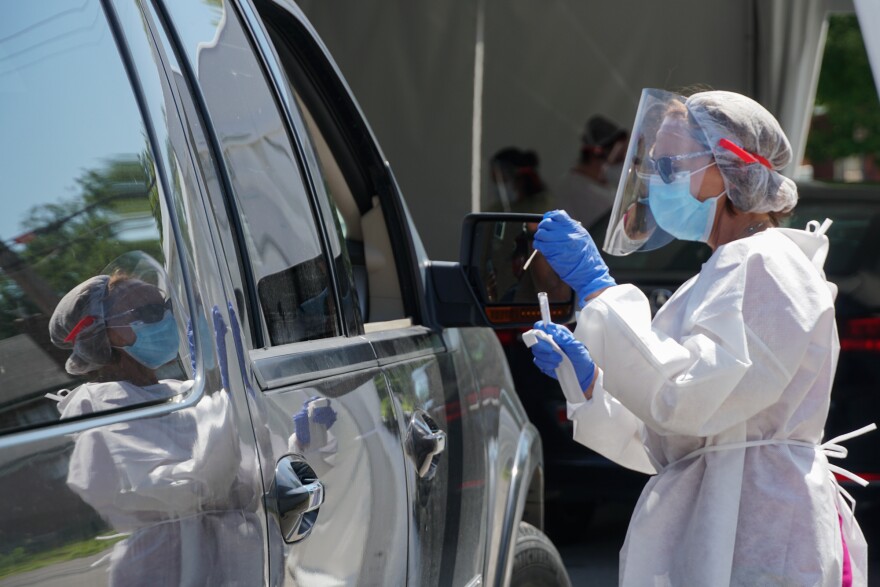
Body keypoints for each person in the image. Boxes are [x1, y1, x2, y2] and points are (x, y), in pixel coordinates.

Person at [527, 89, 872, 586]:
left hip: (763, 527)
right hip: (729, 522)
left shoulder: (767, 264)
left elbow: (687, 399)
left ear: (730, 167)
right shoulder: (720, 271)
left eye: (669, 167)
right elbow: (670, 438)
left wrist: (603, 292)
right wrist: (590, 386)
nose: (655, 183)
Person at [48, 256, 262, 585]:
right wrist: (228, 408)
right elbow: (183, 489)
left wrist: (301, 443)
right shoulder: (100, 405)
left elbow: (246, 482)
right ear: (103, 335)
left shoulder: (178, 391)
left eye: (164, 307)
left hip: (227, 563)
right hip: (162, 569)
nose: (164, 320)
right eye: (148, 314)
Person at [554, 115, 628, 229]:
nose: (623, 160)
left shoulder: (599, 182)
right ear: (598, 153)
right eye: (619, 156)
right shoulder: (575, 188)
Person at [488, 147, 554, 214]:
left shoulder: (541, 206)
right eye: (495, 182)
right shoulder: (498, 209)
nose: (498, 187)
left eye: (503, 181)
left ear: (519, 179)